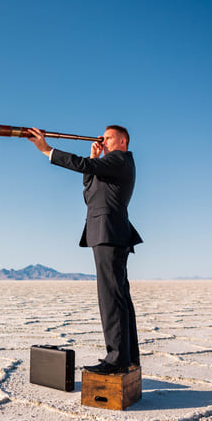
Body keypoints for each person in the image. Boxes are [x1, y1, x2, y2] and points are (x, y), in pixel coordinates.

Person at [27, 125, 142, 374]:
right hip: (109, 232)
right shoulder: (111, 164)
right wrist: (93, 159)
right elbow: (90, 192)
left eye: (108, 137)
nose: (103, 140)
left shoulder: (120, 159)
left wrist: (47, 150)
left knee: (111, 298)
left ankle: (117, 359)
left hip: (109, 233)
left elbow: (84, 168)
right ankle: (129, 357)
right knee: (119, 296)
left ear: (123, 141)